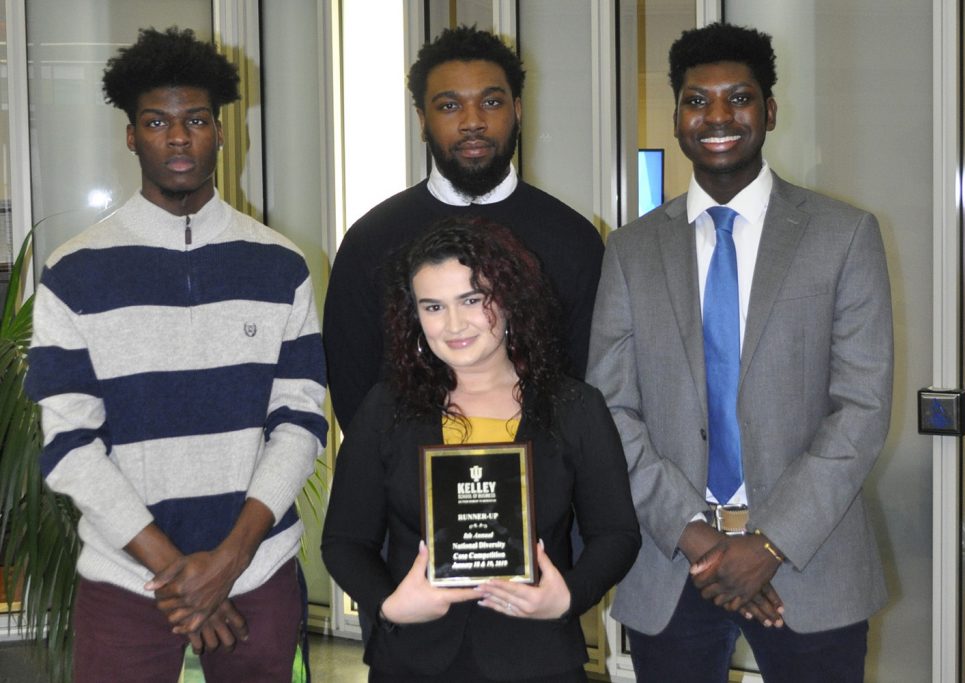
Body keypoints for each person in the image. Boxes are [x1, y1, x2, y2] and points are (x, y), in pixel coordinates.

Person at [586, 22, 893, 683]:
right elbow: (610, 409)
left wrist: (770, 541)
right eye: (697, 100)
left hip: (811, 563)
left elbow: (861, 409)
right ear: (676, 117)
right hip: (672, 563)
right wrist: (698, 536)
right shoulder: (632, 251)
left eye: (739, 97)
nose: (718, 116)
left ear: (770, 110)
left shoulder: (842, 237)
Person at [24, 27, 327, 682]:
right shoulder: (72, 272)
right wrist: (180, 574)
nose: (179, 138)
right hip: (125, 582)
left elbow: (301, 421)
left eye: (195, 120)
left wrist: (230, 559)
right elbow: (69, 444)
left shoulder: (279, 264)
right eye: (158, 122)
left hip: (258, 571)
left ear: (219, 130)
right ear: (131, 136)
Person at [321, 217, 639, 682]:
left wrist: (567, 597)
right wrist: (390, 605)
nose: (453, 324)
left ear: (509, 299)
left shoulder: (573, 407)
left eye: (471, 300)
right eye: (432, 306)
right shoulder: (387, 407)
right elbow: (345, 541)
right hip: (412, 661)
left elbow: (616, 534)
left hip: (537, 660)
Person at [323, 25, 604, 432]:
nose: (473, 122)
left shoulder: (573, 239)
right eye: (450, 106)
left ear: (518, 111)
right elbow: (353, 390)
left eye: (491, 102)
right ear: (422, 120)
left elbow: (590, 383)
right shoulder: (371, 241)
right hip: (408, 484)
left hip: (545, 483)